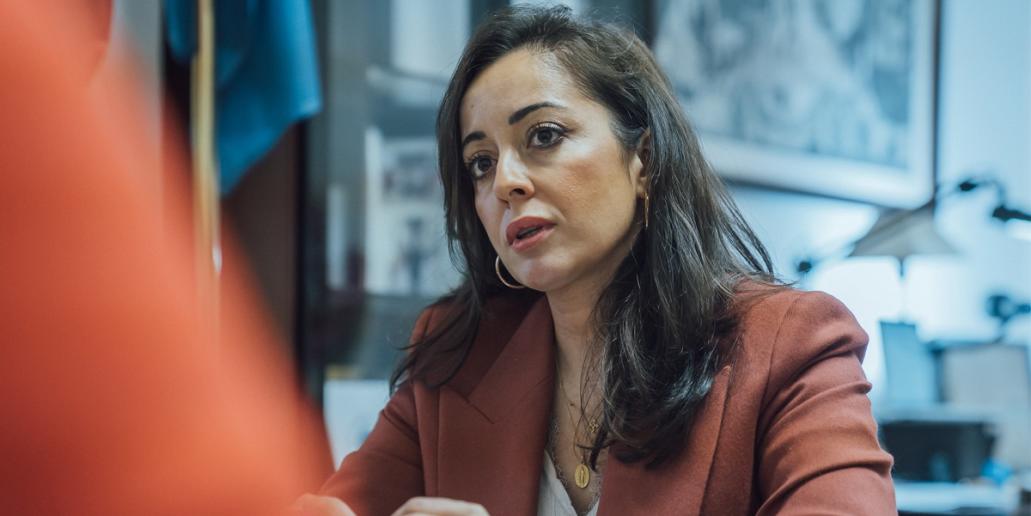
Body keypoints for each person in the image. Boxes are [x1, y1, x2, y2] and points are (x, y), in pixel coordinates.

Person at [304, 5, 895, 515]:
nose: (505, 182)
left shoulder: (792, 345)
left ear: (644, 160)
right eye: (481, 163)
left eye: (544, 136)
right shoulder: (456, 357)